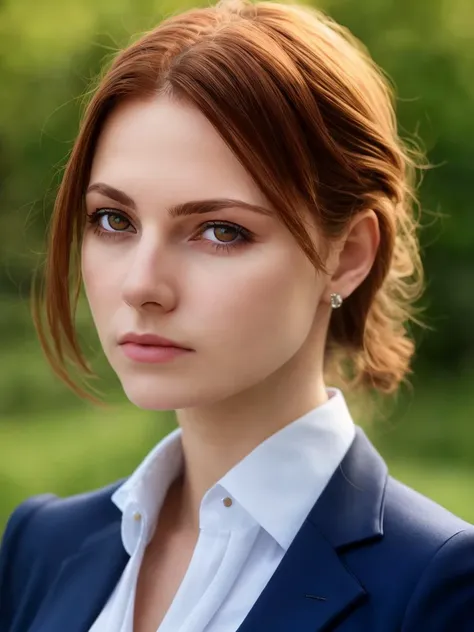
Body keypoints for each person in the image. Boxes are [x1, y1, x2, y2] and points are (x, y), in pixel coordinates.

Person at [1, 0, 473, 630]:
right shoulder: (40, 546)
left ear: (348, 255)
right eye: (114, 220)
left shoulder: (438, 587)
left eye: (220, 231)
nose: (143, 286)